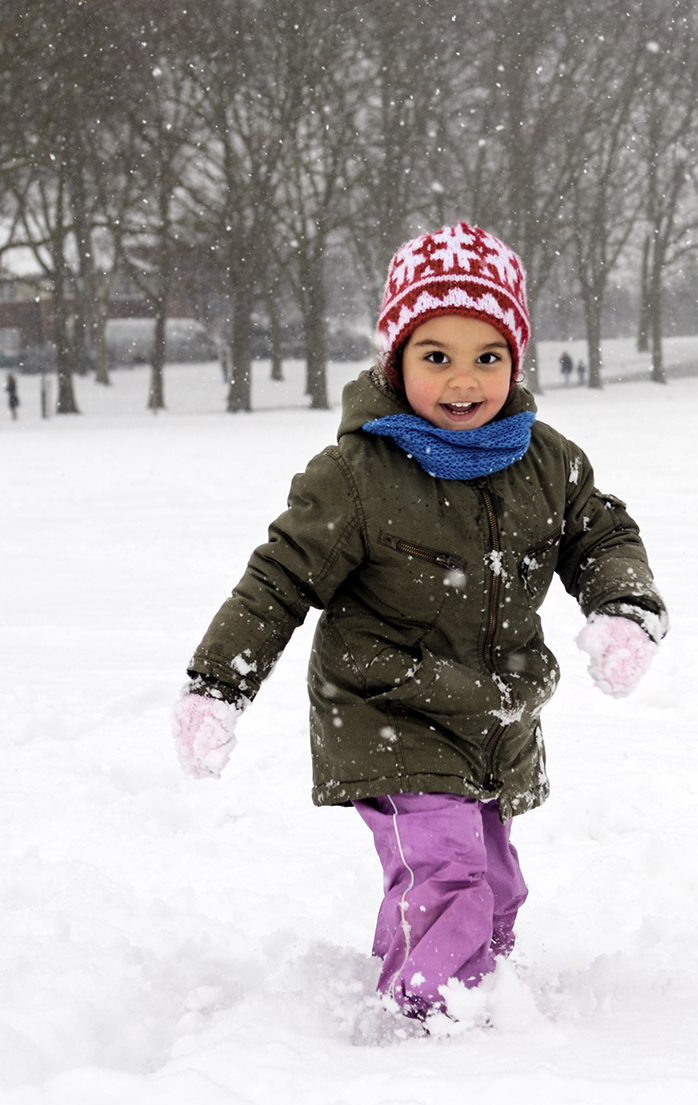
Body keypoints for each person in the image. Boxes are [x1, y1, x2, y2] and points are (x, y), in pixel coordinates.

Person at [172, 223, 668, 1023]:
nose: (463, 380)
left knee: (495, 881)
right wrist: (215, 685)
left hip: (494, 716)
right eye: (436, 355)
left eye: (487, 356)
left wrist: (624, 608)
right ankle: (432, 1022)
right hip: (387, 708)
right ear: (395, 358)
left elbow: (601, 535)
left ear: (516, 359)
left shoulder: (549, 462)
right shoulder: (356, 476)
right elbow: (278, 580)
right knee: (443, 869)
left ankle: (478, 986)